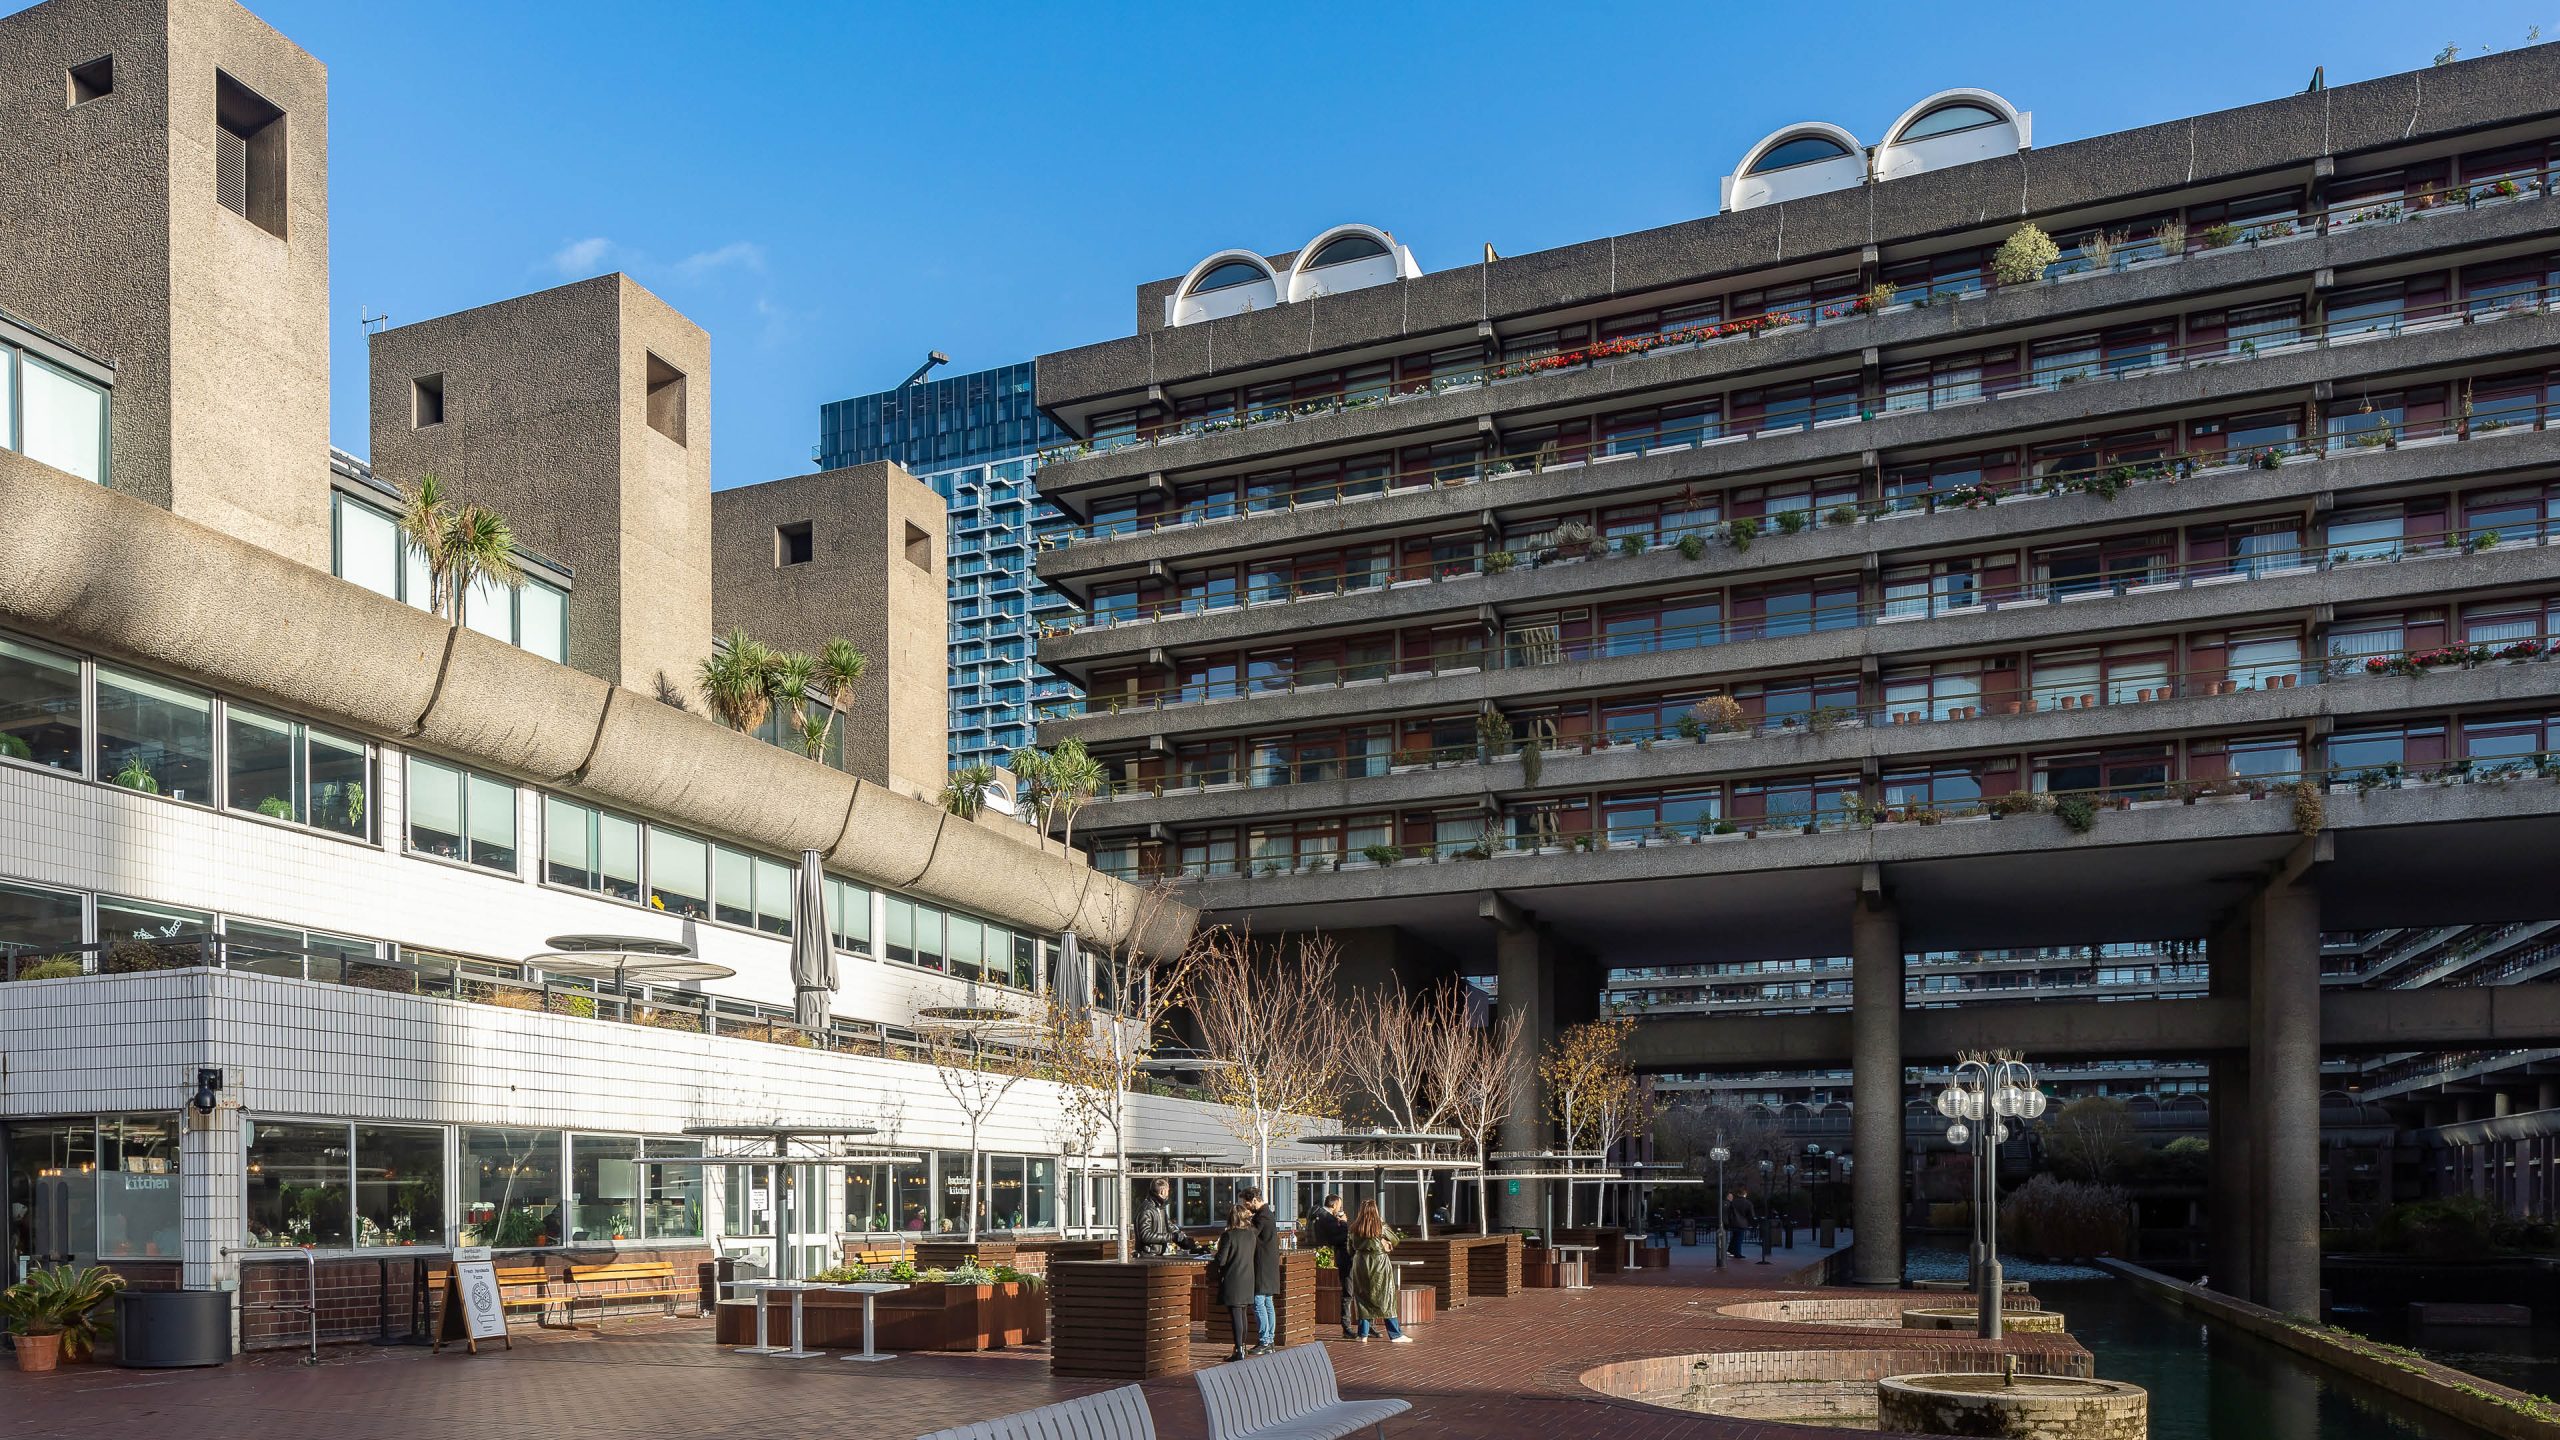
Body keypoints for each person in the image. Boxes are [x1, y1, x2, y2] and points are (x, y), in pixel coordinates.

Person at [1345, 1199, 1412, 1344]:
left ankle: (1362, 1334)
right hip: (1379, 1263)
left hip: (1360, 1264)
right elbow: (1395, 1240)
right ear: (1375, 1210)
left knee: (1363, 1299)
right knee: (1387, 1298)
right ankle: (1395, 1334)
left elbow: (1349, 1250)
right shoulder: (1380, 1227)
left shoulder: (1354, 1228)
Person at [1209, 1201, 1261, 1361]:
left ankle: (1238, 1350)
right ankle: (1242, 1347)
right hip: (1248, 1278)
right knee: (1243, 1313)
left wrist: (1214, 1256)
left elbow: (1222, 1259)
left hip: (1234, 1278)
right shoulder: (1251, 1234)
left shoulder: (1228, 1235)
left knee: (1236, 1315)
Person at [1304, 1192, 1354, 1337]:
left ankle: (1350, 1326)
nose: (1340, 1207)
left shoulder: (1315, 1212)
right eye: (1339, 1204)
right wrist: (1343, 1223)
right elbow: (1339, 1237)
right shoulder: (1328, 1218)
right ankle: (1347, 1327)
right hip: (1342, 1257)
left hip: (1327, 1254)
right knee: (1348, 1292)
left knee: (1348, 1292)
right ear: (1333, 1205)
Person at [1242, 1185, 1281, 1352]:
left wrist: (1244, 1220)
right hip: (1270, 1265)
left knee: (1259, 1301)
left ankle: (1264, 1340)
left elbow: (1250, 1236)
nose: (1246, 1207)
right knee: (1267, 1301)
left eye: (1247, 1203)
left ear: (1255, 1200)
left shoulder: (1261, 1217)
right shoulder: (1268, 1214)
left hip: (1262, 1265)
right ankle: (1269, 1339)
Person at [1135, 1178, 1203, 1258]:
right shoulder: (1147, 1209)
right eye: (1168, 1191)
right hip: (1147, 1255)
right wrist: (1172, 1237)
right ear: (1162, 1191)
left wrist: (1184, 1241)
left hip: (1156, 1254)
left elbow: (1169, 1226)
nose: (1168, 1194)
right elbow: (1145, 1235)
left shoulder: (1160, 1208)